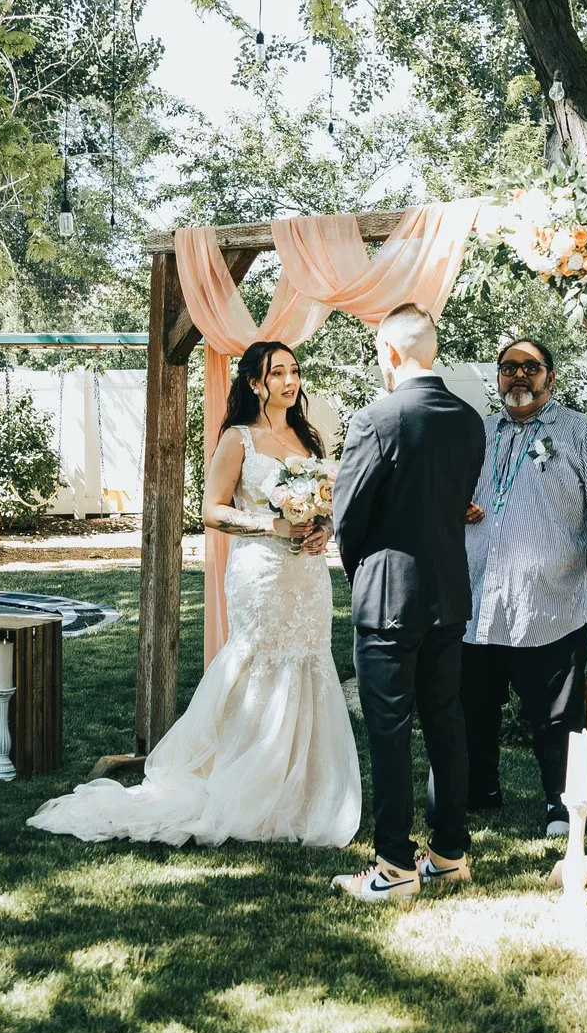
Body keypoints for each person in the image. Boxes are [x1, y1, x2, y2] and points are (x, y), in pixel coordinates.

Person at [31, 340, 358, 846]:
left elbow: (324, 504)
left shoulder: (307, 438)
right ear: (254, 382)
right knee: (261, 663)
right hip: (262, 574)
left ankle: (302, 789)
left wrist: (324, 528)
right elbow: (212, 511)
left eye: (294, 371)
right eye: (278, 374)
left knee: (308, 660)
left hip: (307, 575)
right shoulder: (238, 439)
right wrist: (271, 526)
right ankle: (242, 781)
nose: (290, 381)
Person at [331, 305, 488, 901]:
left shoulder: (377, 418)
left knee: (389, 731)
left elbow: (350, 519)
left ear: (391, 352)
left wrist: (363, 574)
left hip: (389, 597)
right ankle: (450, 852)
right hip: (449, 593)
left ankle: (393, 866)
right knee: (446, 723)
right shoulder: (470, 420)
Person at [460, 336, 587, 839]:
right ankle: (481, 790)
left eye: (531, 367)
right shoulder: (477, 434)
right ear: (497, 377)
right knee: (473, 708)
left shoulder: (582, 434)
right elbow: (451, 494)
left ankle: (560, 806)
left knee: (556, 718)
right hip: (479, 600)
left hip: (552, 603)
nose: (519, 376)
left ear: (551, 377)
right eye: (508, 368)